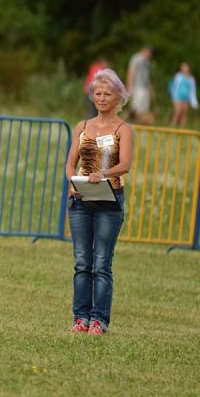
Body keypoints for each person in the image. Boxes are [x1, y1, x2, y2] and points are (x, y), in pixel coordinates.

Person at [65, 68, 134, 335]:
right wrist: (72, 182)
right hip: (81, 200)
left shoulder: (123, 129)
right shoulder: (82, 126)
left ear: (119, 97)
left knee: (102, 262)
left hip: (109, 199)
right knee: (82, 261)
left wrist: (102, 174)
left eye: (108, 93)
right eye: (98, 93)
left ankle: (99, 319)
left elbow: (125, 164)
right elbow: (70, 163)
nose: (102, 97)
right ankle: (80, 318)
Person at [126, 46, 154, 124]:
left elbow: (147, 78)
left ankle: (141, 126)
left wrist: (151, 90)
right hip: (137, 87)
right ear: (144, 50)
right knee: (135, 108)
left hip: (144, 88)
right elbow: (131, 72)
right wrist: (129, 86)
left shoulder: (147, 62)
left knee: (144, 109)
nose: (150, 55)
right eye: (149, 52)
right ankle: (130, 125)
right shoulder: (136, 58)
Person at [169, 62, 199, 127]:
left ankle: (182, 128)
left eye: (186, 67)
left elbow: (193, 90)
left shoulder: (191, 78)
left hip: (186, 98)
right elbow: (173, 86)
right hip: (178, 97)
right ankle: (172, 127)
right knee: (177, 112)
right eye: (183, 67)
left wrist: (194, 101)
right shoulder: (178, 76)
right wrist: (173, 97)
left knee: (184, 113)